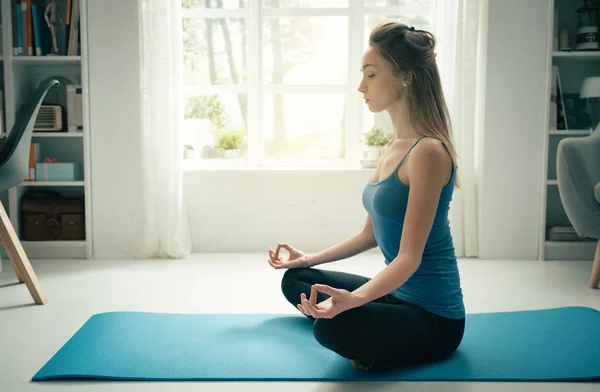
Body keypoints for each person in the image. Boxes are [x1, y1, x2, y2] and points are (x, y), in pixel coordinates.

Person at [267, 21, 465, 372]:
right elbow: (369, 235)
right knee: (296, 280)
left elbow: (409, 257)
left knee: (331, 327)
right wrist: (308, 259)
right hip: (394, 295)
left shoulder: (428, 152)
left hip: (434, 318)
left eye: (371, 75)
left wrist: (355, 300)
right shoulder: (392, 146)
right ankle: (370, 329)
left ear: (405, 76)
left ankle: (366, 332)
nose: (361, 86)